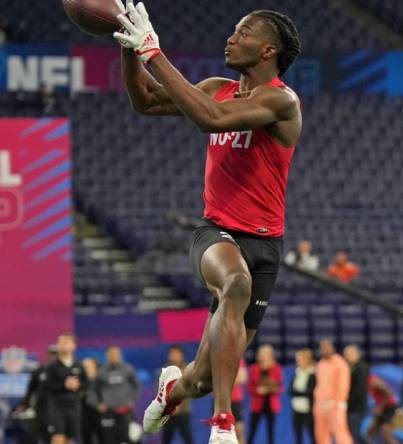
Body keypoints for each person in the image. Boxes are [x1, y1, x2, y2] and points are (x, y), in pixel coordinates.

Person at [113, 0, 303, 441]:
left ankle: (172, 390)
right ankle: (222, 422)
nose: (231, 37)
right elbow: (145, 102)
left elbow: (210, 119)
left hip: (266, 245)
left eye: (244, 32)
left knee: (200, 376)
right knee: (235, 283)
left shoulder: (280, 100)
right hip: (216, 231)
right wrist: (128, 45)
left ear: (269, 50)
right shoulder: (217, 87)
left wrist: (153, 53)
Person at [44, 334, 87, 444]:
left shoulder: (79, 365)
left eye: (66, 342)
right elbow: (46, 386)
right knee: (58, 437)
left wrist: (78, 385)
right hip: (57, 407)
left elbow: (86, 383)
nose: (63, 345)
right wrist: (64, 384)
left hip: (74, 406)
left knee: (69, 438)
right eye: (60, 342)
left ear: (73, 345)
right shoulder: (51, 366)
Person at [96, 346, 140, 444]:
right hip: (108, 411)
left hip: (124, 411)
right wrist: (98, 403)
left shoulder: (128, 369)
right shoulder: (101, 371)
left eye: (116, 354)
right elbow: (93, 389)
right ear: (107, 356)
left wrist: (132, 399)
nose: (114, 356)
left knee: (126, 439)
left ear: (120, 355)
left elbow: (136, 386)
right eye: (111, 354)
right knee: (108, 439)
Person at [314, 340, 353, 444]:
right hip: (320, 404)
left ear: (332, 348)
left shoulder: (340, 363)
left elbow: (343, 383)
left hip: (334, 404)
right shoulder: (320, 364)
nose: (324, 350)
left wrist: (341, 402)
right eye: (322, 348)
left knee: (340, 433)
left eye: (327, 347)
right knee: (321, 434)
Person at [20, 344, 59, 443]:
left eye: (56, 354)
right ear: (48, 355)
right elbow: (30, 390)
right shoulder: (39, 371)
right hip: (42, 408)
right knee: (41, 434)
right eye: (52, 354)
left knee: (58, 436)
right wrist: (25, 404)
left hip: (59, 409)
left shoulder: (64, 371)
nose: (53, 357)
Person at [247, 345, 283, 444]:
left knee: (271, 432)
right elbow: (249, 388)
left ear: (271, 355)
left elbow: (280, 387)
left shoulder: (276, 368)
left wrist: (272, 389)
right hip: (257, 404)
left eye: (267, 354)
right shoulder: (254, 368)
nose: (265, 357)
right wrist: (257, 391)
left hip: (271, 404)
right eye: (263, 354)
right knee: (252, 431)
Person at [163, 346, 194, 444]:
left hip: (184, 413)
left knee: (188, 439)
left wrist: (179, 406)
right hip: (168, 413)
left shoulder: (188, 371)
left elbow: (190, 389)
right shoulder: (164, 372)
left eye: (177, 353)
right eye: (172, 353)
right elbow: (160, 392)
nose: (174, 356)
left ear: (182, 355)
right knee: (166, 439)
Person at [344, 345, 368, 444]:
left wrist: (347, 401)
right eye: (345, 354)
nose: (346, 357)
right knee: (351, 433)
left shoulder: (361, 368)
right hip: (350, 407)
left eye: (349, 354)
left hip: (357, 407)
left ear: (357, 354)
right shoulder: (349, 368)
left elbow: (359, 389)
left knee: (355, 433)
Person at [290, 349, 315, 444]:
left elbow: (310, 391)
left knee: (311, 434)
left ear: (307, 359)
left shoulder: (313, 374)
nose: (298, 362)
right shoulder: (297, 372)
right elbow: (291, 390)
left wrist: (298, 392)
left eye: (300, 359)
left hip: (309, 410)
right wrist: (300, 392)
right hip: (296, 408)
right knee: (297, 434)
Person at [365, 375, 399, 444]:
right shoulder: (368, 382)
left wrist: (380, 407)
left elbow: (389, 393)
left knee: (386, 433)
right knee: (370, 431)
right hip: (383, 407)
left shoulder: (372, 381)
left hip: (389, 407)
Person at [82, 358, 104, 444]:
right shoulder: (80, 381)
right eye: (84, 366)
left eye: (88, 366)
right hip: (84, 416)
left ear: (95, 367)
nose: (85, 368)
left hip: (100, 415)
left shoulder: (102, 381)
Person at [231, 360, 248, 444]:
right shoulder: (216, 359)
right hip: (219, 402)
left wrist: (222, 381)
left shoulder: (238, 360)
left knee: (239, 432)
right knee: (219, 434)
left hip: (235, 401)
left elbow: (242, 378)